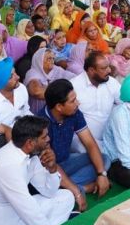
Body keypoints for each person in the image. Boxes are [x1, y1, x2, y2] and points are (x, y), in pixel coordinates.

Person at [38, 79, 110, 209]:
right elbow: (50, 164)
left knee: (104, 160)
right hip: (48, 171)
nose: (77, 103)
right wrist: (77, 193)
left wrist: (101, 174)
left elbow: (89, 143)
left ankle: (69, 188)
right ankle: (80, 188)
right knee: (49, 181)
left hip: (67, 161)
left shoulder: (74, 113)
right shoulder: (41, 124)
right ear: (59, 107)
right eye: (72, 101)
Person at [70, 52, 121, 151]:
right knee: (85, 150)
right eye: (104, 68)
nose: (109, 70)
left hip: (109, 136)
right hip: (82, 139)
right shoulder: (74, 85)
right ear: (91, 70)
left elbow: (125, 104)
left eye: (108, 67)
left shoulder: (111, 82)